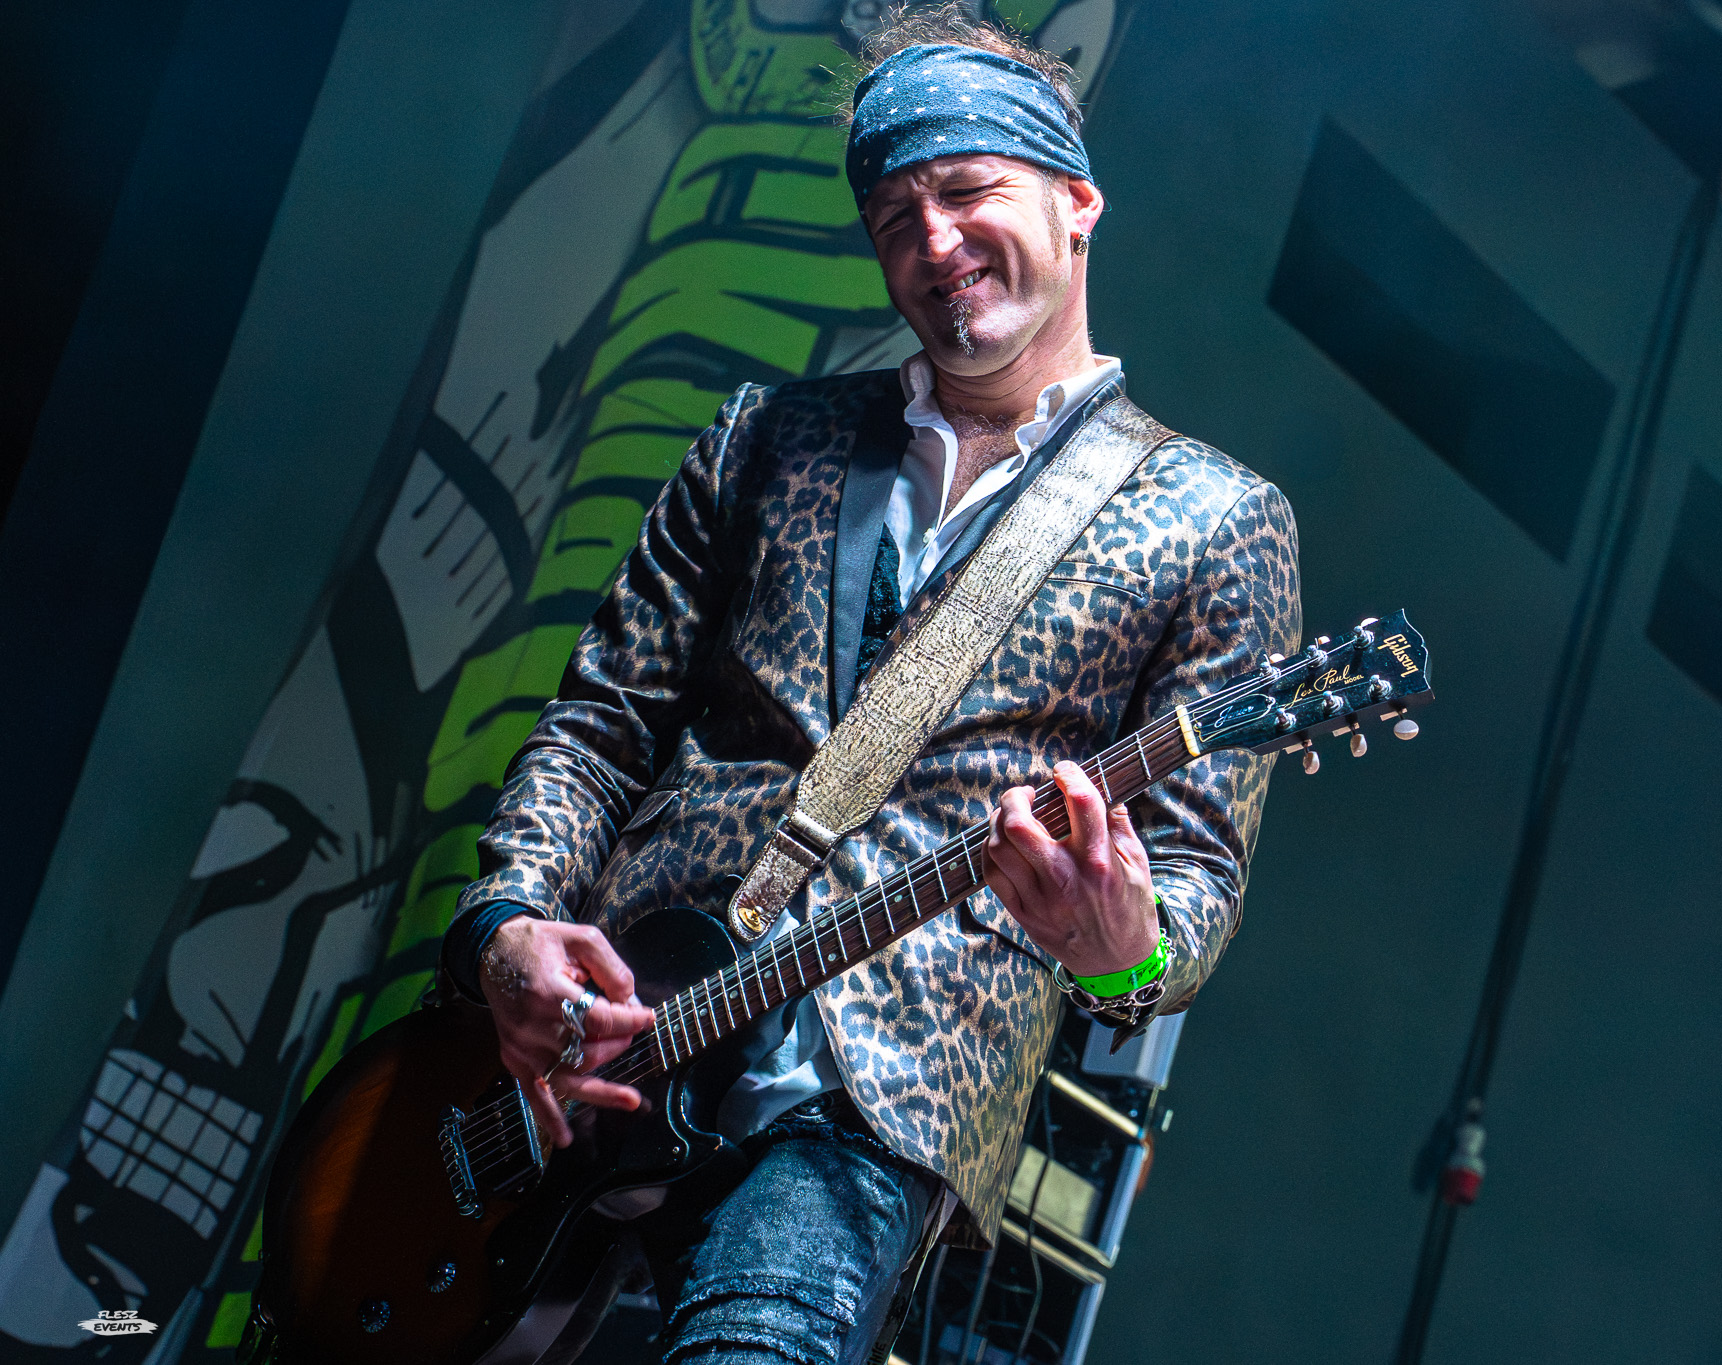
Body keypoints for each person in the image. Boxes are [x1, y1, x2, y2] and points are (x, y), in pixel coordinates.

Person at [438, 8, 1301, 1362]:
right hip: (604, 1047)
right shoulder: (765, 437)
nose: (935, 243)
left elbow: (1189, 891)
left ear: (1077, 201)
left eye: (967, 191)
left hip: (872, 1106)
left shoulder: (1214, 521)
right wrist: (505, 929)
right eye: (896, 218)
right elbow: (600, 724)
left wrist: (1119, 947)